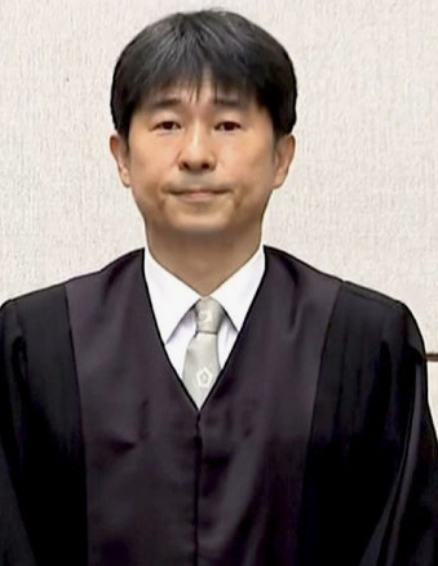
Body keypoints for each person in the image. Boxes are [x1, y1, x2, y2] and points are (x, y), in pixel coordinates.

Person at [0, 9, 437, 566]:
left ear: (281, 157)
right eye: (167, 124)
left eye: (228, 125)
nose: (196, 154)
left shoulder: (365, 345)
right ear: (122, 157)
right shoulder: (37, 345)